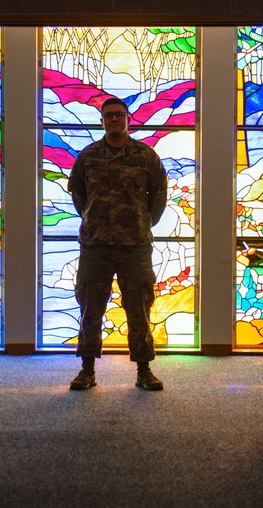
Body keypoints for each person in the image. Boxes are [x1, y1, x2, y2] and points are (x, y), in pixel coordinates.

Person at [67, 96, 168, 391]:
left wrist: (142, 223)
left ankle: (144, 370)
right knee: (90, 307)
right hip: (95, 247)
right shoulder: (87, 157)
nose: (114, 120)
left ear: (128, 119)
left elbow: (159, 195)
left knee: (139, 308)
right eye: (109, 115)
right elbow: (78, 196)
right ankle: (87, 370)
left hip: (135, 247)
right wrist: (93, 219)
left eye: (119, 115)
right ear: (102, 120)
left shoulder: (146, 156)